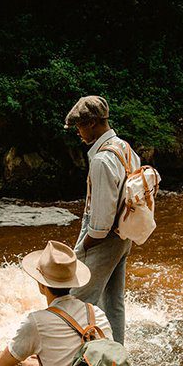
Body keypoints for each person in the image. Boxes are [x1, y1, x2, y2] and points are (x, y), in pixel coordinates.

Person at [64, 95, 141, 345]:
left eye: (80, 125)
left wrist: (83, 247)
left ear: (94, 123)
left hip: (103, 239)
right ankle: (116, 357)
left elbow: (99, 223)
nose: (78, 131)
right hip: (124, 235)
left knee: (75, 302)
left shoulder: (101, 160)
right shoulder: (126, 149)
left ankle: (73, 365)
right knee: (113, 302)